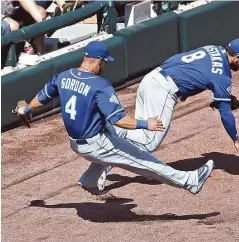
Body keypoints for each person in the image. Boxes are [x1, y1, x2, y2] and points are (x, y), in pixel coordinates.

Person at [16, 41, 213, 197]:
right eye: (104, 62)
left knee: (111, 136)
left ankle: (89, 181)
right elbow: (119, 118)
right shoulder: (99, 85)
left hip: (79, 142)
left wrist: (26, 108)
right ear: (98, 60)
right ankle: (190, 181)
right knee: (144, 161)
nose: (104, 66)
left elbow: (41, 99)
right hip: (95, 143)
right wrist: (146, 124)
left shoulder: (62, 76)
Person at [116, 38, 239, 161]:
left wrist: (223, 96)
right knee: (150, 141)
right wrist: (236, 139)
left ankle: (108, 159)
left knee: (139, 130)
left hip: (151, 78)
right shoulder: (222, 77)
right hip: (161, 89)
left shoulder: (213, 48)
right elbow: (225, 113)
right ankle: (114, 131)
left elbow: (196, 69)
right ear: (238, 57)